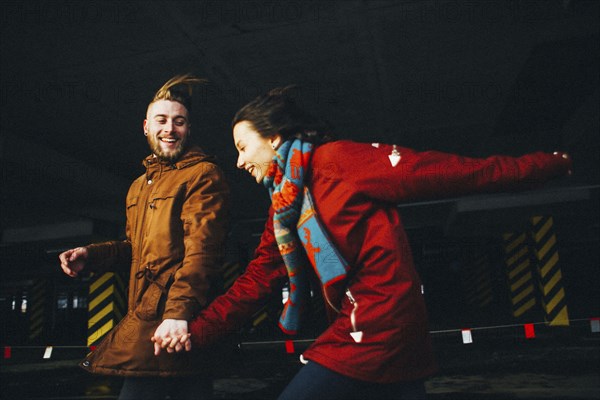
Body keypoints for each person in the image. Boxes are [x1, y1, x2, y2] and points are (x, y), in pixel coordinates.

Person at [152, 87, 572, 399]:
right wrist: (197, 329)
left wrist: (545, 166)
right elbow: (259, 276)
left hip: (380, 327)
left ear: (275, 138)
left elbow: (451, 172)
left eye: (243, 147)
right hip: (371, 331)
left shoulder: (338, 161)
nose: (240, 161)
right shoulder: (284, 206)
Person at [59, 74, 229, 400]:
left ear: (188, 130)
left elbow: (202, 251)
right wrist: (92, 255)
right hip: (151, 321)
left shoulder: (202, 175)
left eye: (179, 122)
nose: (170, 129)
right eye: (162, 120)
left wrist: (178, 314)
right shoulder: (139, 186)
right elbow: (137, 251)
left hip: (179, 323)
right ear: (146, 127)